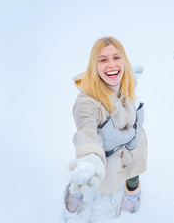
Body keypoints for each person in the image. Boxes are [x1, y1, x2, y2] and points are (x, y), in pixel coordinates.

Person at [64, 36, 148, 216]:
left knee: (132, 174)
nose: (111, 65)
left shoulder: (126, 83)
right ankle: (75, 188)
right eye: (103, 60)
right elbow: (86, 130)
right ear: (94, 66)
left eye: (116, 57)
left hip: (133, 147)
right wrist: (90, 157)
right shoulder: (87, 102)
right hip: (106, 156)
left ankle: (132, 194)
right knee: (85, 174)